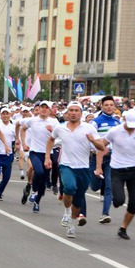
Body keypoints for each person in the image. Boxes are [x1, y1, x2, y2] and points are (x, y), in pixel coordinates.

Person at [45, 102, 104, 238]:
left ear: (81, 113)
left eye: (76, 110)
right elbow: (50, 140)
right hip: (66, 165)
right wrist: (47, 157)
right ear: (67, 113)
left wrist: (92, 141)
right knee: (70, 188)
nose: (73, 113)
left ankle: (71, 223)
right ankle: (66, 213)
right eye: (71, 110)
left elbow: (101, 147)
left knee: (78, 201)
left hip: (83, 168)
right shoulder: (60, 128)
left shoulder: (89, 128)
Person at [97, 109, 135, 240]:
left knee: (134, 203)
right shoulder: (114, 131)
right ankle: (116, 202)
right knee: (119, 200)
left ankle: (123, 228)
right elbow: (101, 147)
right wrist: (98, 166)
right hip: (117, 169)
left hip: (134, 170)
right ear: (124, 119)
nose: (132, 127)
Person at [20, 100, 60, 213]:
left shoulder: (54, 122)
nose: (43, 109)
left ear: (50, 110)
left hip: (48, 154)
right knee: (39, 171)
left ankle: (37, 201)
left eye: (46, 108)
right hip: (35, 152)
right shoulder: (32, 120)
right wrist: (23, 143)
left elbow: (60, 138)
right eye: (42, 107)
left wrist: (52, 131)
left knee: (44, 183)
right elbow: (23, 129)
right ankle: (33, 191)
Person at [90, 95, 122, 224]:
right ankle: (98, 180)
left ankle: (105, 213)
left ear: (114, 107)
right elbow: (90, 140)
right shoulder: (95, 122)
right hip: (95, 157)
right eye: (106, 105)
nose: (109, 107)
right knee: (94, 186)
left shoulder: (118, 123)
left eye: (111, 105)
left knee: (109, 186)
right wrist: (98, 147)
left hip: (111, 158)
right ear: (102, 106)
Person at [0, 107, 16, 201]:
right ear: (0, 115)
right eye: (3, 114)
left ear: (10, 115)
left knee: (6, 177)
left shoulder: (13, 127)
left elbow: (16, 141)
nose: (5, 116)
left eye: (7, 114)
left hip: (8, 154)